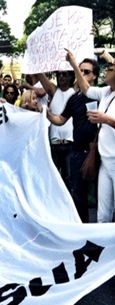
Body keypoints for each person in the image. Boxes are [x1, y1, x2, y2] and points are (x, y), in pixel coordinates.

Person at [47, 55, 100, 223]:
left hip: (100, 153)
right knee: (78, 196)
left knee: (103, 197)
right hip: (77, 154)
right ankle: (83, 233)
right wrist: (45, 113)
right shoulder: (74, 98)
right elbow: (60, 120)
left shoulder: (102, 95)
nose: (82, 73)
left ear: (95, 76)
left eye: (86, 71)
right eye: (80, 70)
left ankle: (105, 234)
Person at [72, 49, 115, 223]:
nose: (106, 70)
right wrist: (74, 63)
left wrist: (106, 119)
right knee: (103, 213)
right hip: (105, 161)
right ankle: (104, 248)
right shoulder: (106, 92)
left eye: (110, 68)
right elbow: (86, 89)